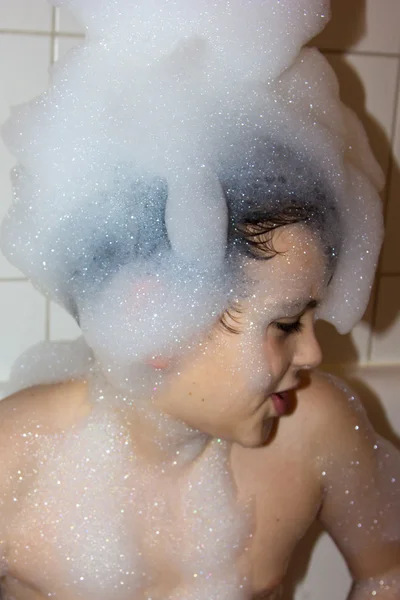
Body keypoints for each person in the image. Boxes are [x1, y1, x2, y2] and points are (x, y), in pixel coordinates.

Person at [0, 164, 399, 599]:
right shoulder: (14, 457)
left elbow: (387, 573)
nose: (312, 354)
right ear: (158, 328)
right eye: (285, 324)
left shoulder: (315, 431)